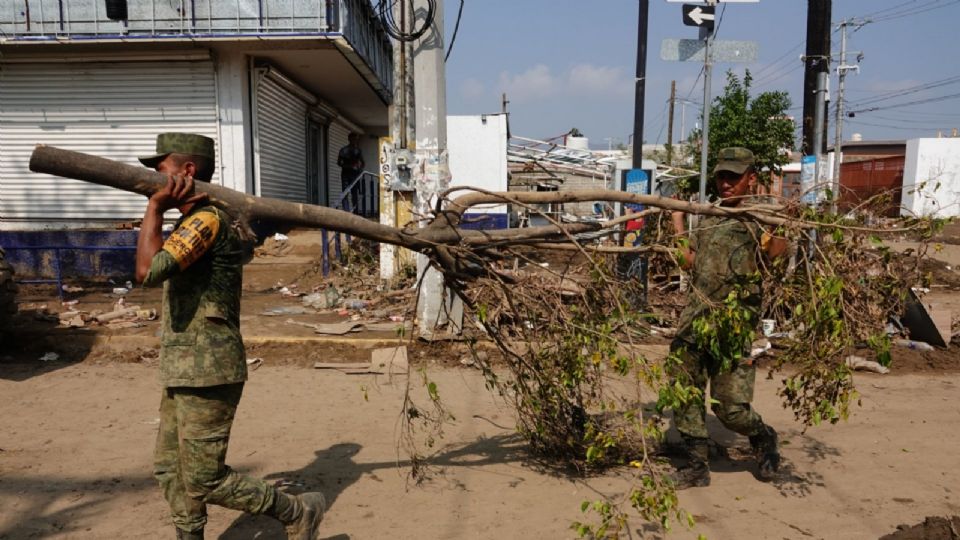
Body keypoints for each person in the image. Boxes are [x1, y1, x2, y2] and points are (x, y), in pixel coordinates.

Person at [135, 133, 325, 540]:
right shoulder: (195, 220)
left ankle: (296, 511)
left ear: (187, 172)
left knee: (203, 477)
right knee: (171, 467)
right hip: (183, 366)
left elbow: (147, 271)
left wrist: (154, 206)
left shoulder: (207, 221)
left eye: (161, 167)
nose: (154, 174)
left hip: (209, 369)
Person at [668, 147, 788, 489]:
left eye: (734, 177)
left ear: (751, 178)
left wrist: (781, 223)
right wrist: (677, 222)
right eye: (722, 176)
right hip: (695, 322)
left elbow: (772, 263)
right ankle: (696, 464)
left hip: (734, 329)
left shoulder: (759, 216)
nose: (726, 183)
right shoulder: (709, 214)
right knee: (683, 393)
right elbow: (688, 263)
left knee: (731, 409)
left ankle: (764, 438)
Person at [336, 133, 365, 214]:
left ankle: (355, 212)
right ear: (349, 139)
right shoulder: (343, 150)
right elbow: (339, 163)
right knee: (345, 193)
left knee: (355, 194)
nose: (355, 141)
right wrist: (349, 166)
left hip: (355, 175)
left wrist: (359, 168)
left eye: (356, 139)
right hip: (346, 174)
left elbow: (362, 163)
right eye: (353, 139)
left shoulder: (358, 150)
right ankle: (346, 212)